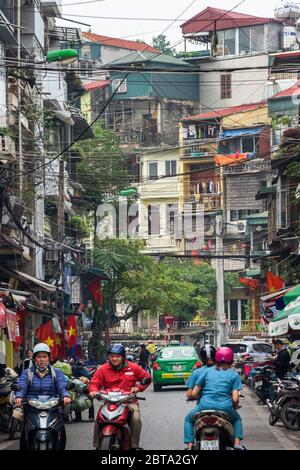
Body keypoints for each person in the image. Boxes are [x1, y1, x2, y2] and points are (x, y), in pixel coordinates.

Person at [89, 343, 151, 450]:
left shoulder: (133, 367)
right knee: (99, 419)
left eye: (117, 356)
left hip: (129, 401)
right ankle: (97, 445)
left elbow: (147, 378)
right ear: (108, 357)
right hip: (109, 402)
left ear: (123, 357)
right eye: (111, 356)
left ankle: (134, 445)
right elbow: (94, 382)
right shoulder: (103, 369)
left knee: (136, 419)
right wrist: (94, 392)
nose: (114, 359)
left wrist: (138, 388)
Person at [184, 347, 244, 450]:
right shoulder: (234, 375)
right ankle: (236, 444)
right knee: (237, 419)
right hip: (225, 408)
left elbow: (193, 393)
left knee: (189, 420)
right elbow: (235, 399)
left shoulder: (206, 372)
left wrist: (202, 398)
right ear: (231, 361)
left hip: (203, 407)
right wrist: (233, 406)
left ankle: (190, 446)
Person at [15, 343, 72, 448]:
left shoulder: (56, 373)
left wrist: (65, 395)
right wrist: (19, 396)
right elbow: (22, 385)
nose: (42, 360)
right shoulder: (27, 373)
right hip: (32, 409)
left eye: (44, 357)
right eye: (39, 357)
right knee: (24, 434)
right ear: (34, 359)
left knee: (62, 431)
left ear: (49, 358)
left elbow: (62, 385)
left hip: (52, 409)